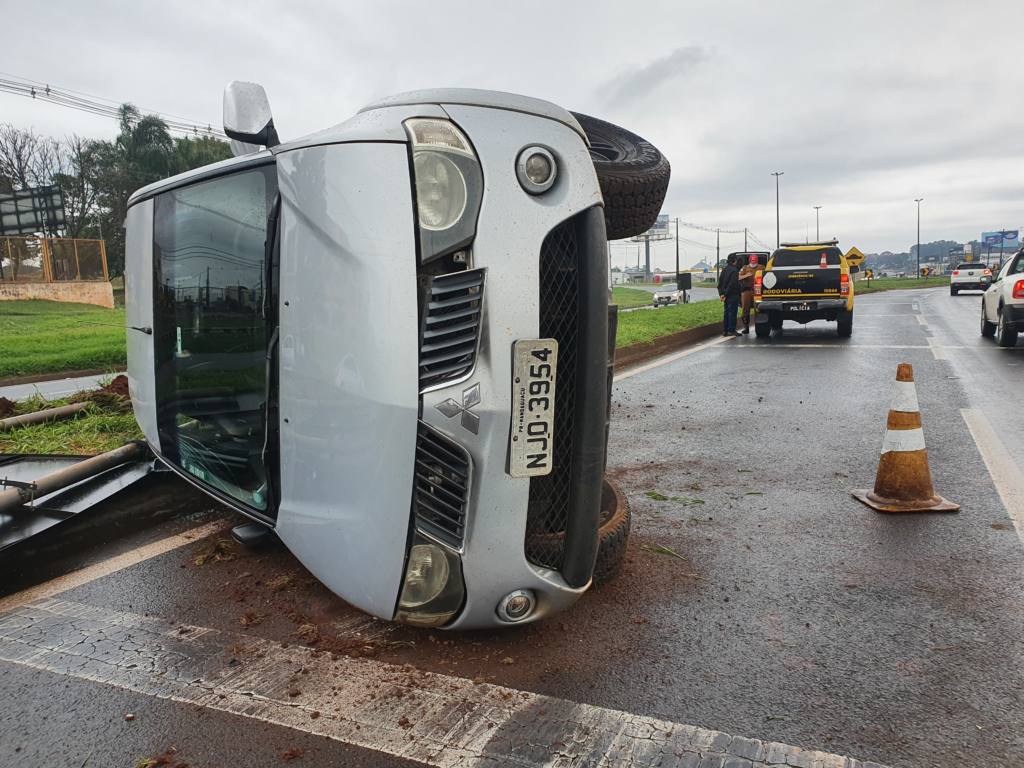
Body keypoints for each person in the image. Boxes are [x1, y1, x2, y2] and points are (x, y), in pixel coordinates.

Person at [717, 254, 741, 336]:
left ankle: (725, 330)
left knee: (726, 312)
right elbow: (732, 284)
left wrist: (722, 294)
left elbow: (720, 283)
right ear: (734, 261)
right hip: (732, 295)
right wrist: (726, 294)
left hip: (725, 296)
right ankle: (731, 330)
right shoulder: (735, 271)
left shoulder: (724, 270)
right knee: (732, 313)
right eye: (736, 260)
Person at [738, 254, 759, 334]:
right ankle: (746, 327)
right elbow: (738, 277)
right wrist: (746, 275)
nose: (753, 263)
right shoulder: (745, 268)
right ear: (749, 260)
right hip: (746, 291)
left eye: (755, 261)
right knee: (745, 310)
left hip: (757, 291)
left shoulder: (762, 267)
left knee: (758, 309)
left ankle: (759, 326)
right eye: (752, 261)